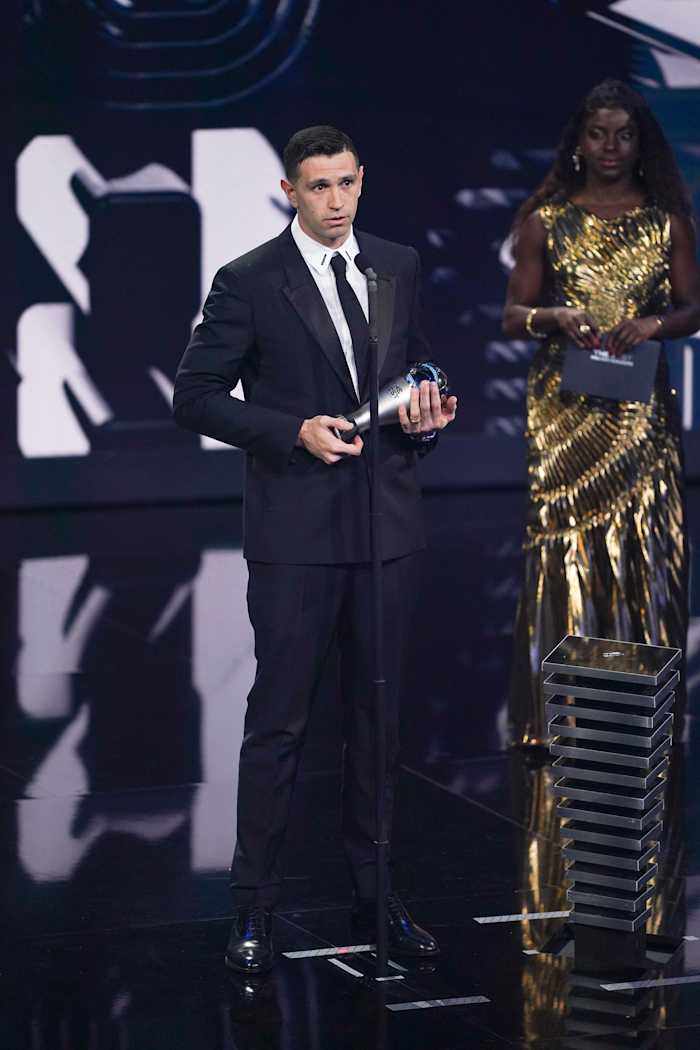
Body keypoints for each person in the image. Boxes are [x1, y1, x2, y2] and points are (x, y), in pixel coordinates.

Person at [173, 126, 457, 972]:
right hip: (297, 532)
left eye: (346, 183)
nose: (336, 201)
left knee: (378, 722)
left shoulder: (396, 263)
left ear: (362, 181)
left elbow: (416, 365)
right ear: (289, 191)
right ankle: (253, 906)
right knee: (281, 723)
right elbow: (195, 396)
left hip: (387, 528)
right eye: (318, 187)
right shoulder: (250, 280)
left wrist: (430, 411)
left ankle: (378, 895)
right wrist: (290, 429)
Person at [503, 80, 700, 747]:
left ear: (640, 142)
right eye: (598, 134)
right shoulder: (546, 218)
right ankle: (557, 717)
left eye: (624, 134)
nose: (610, 147)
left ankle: (646, 711)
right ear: (577, 143)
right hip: (564, 407)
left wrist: (653, 324)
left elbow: (694, 306)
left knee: (645, 545)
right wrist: (553, 315)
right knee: (563, 549)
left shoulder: (668, 217)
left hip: (640, 406)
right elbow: (512, 315)